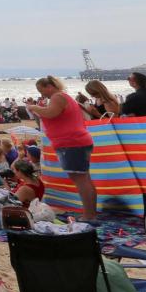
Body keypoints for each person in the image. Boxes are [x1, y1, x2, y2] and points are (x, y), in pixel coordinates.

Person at [29, 75, 96, 220]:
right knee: (85, 179)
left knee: (81, 180)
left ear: (49, 87)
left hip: (71, 143)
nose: (42, 94)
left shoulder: (57, 97)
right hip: (77, 141)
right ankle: (90, 213)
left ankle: (89, 215)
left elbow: (51, 113)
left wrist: (35, 107)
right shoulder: (64, 97)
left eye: (42, 90)